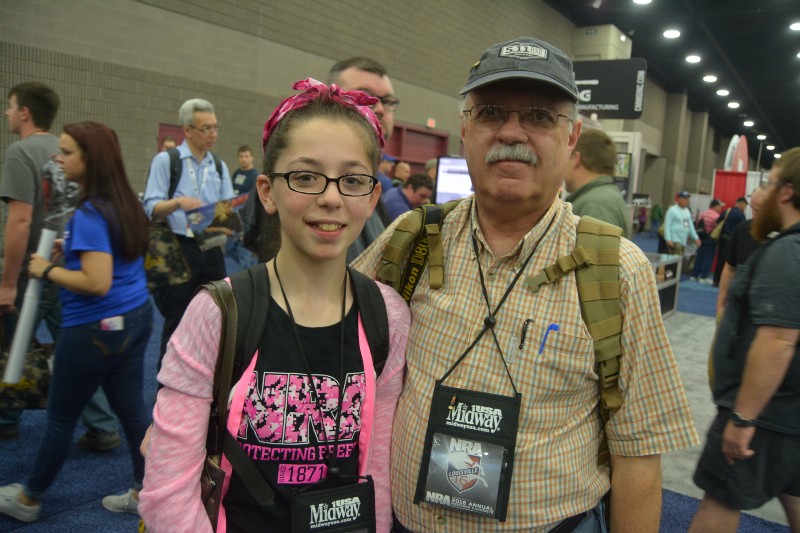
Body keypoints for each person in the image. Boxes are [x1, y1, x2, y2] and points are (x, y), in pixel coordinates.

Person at [354, 36, 698, 532]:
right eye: (492, 112)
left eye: (539, 116)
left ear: (572, 136)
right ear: (465, 128)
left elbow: (638, 453)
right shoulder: (409, 240)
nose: (511, 132)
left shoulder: (616, 271)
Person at [139, 78, 410, 533]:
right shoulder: (219, 313)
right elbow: (168, 492)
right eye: (305, 176)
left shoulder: (388, 316)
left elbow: (377, 472)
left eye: (352, 179)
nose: (330, 197)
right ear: (267, 191)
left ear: (372, 196)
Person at [0, 121, 152, 522]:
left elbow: (96, 281)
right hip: (136, 319)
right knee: (134, 411)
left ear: (91, 160)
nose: (58, 158)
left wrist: (44, 269)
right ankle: (145, 490)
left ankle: (29, 499)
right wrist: (72, 250)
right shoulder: (126, 201)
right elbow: (115, 257)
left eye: (67, 152)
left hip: (94, 330)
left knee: (61, 418)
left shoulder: (89, 212)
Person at [1, 82, 120, 450]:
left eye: (9, 106)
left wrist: (7, 281)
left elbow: (20, 221)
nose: (6, 113)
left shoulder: (21, 152)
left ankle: (7, 417)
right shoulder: (68, 151)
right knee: (73, 346)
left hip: (35, 268)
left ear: (25, 112)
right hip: (71, 264)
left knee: (12, 343)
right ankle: (101, 425)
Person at [689, 147, 800, 533]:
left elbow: (778, 342)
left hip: (764, 415)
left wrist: (742, 418)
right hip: (788, 415)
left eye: (768, 183)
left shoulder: (786, 254)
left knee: (719, 501)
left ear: (786, 192)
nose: (762, 193)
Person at [143, 98, 234, 363]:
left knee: (216, 318)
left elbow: (226, 206)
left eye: (215, 128)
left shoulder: (219, 166)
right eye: (206, 128)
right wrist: (179, 204)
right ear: (187, 130)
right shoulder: (167, 161)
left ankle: (207, 385)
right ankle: (167, 391)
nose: (213, 134)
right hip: (177, 249)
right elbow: (151, 207)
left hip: (211, 248)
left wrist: (226, 220)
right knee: (176, 322)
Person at [328, 57, 400, 261]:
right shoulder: (297, 183)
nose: (379, 109)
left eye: (386, 101)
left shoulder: (372, 184)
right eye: (364, 96)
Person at [564, 127, 632, 237]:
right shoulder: (605, 198)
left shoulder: (595, 205)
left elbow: (594, 254)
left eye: (567, 156)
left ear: (576, 159)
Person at [716, 190, 762, 314]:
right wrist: (720, 304)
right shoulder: (743, 229)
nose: (755, 215)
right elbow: (729, 268)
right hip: (738, 307)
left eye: (760, 210)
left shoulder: (783, 236)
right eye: (753, 209)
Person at [224, 145, 258, 274]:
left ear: (252, 158)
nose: (244, 159)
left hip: (245, 220)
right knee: (230, 251)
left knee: (244, 254)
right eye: (241, 156)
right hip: (233, 218)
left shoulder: (255, 176)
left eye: (246, 156)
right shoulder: (237, 173)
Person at [712, 196, 748, 287]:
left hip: (722, 239)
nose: (745, 208)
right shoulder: (741, 215)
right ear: (741, 204)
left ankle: (716, 281)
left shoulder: (727, 211)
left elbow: (716, 223)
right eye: (745, 206)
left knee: (720, 260)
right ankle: (726, 283)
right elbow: (743, 230)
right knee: (730, 263)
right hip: (732, 241)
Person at [691, 198, 725, 284]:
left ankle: (694, 275)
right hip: (710, 238)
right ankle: (704, 276)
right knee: (708, 257)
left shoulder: (702, 213)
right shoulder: (716, 216)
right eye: (720, 206)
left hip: (701, 237)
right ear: (716, 206)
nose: (721, 208)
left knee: (699, 256)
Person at [664, 190, 701, 256]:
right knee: (675, 260)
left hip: (683, 241)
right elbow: (667, 225)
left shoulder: (687, 211)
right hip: (674, 240)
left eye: (688, 199)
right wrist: (668, 239)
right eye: (685, 199)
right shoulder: (672, 210)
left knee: (679, 260)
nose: (687, 201)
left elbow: (690, 226)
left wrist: (696, 238)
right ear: (679, 199)